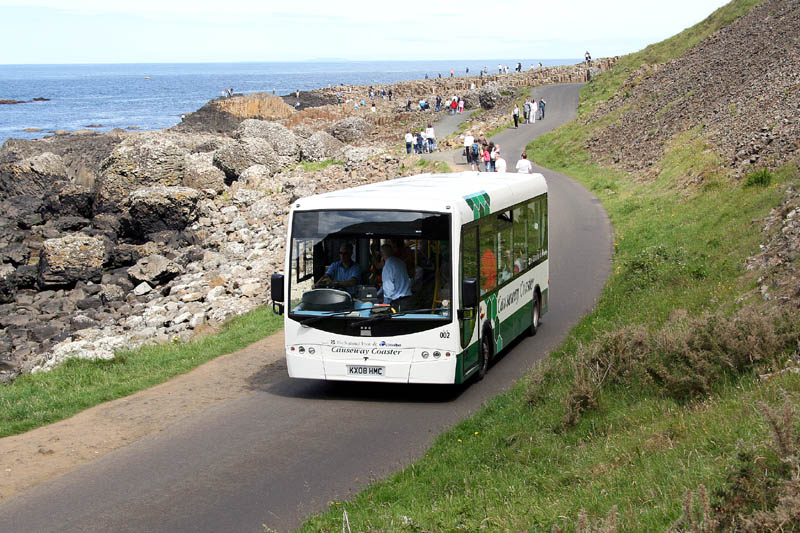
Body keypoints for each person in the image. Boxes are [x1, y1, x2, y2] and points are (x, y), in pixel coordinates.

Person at [377, 244, 412, 310]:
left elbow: (388, 290)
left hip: (398, 303)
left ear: (381, 254)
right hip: (408, 299)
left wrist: (384, 306)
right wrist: (377, 293)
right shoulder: (400, 262)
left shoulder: (387, 267)